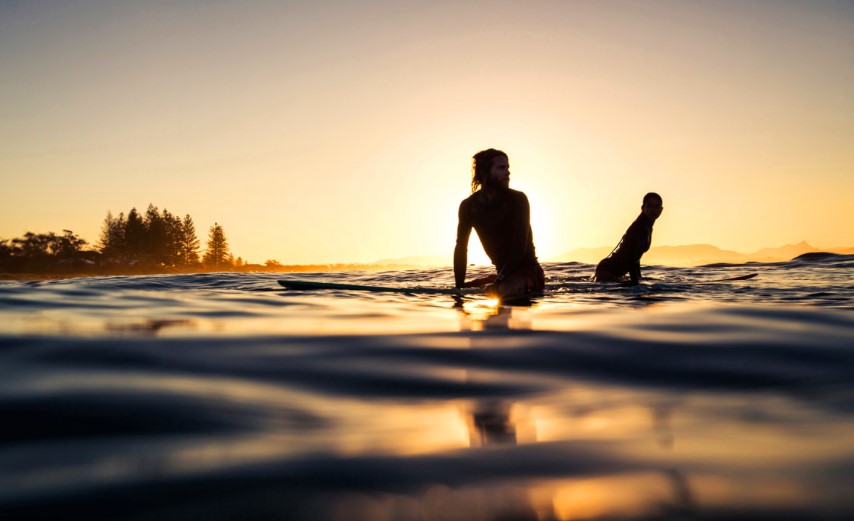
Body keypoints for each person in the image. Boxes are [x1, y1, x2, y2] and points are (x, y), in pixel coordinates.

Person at [454, 148, 544, 300]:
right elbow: (461, 248)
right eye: (501, 168)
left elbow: (519, 249)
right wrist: (458, 290)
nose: (508, 173)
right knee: (460, 292)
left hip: (527, 270)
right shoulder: (468, 206)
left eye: (508, 168)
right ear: (484, 172)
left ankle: (500, 284)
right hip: (502, 274)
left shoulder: (517, 200)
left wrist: (498, 282)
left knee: (504, 292)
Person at [594, 192, 663, 284]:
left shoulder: (646, 226)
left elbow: (637, 256)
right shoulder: (639, 227)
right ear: (643, 208)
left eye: (657, 206)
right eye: (649, 206)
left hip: (611, 270)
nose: (653, 210)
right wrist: (635, 283)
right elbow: (631, 256)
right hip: (607, 270)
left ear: (661, 210)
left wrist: (639, 277)